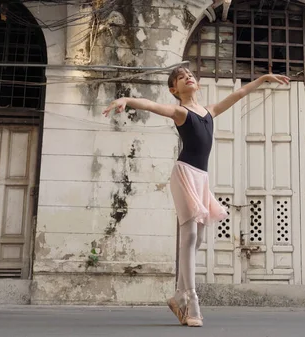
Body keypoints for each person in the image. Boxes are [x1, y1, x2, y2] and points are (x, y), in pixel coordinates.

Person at [102, 67, 290, 327]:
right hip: (184, 174)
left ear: (197, 84)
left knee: (198, 237)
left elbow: (240, 93)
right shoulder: (181, 112)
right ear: (174, 89)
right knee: (189, 236)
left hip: (201, 177)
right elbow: (152, 105)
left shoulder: (209, 112)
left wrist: (264, 79)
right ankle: (191, 301)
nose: (188, 77)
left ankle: (178, 294)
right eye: (181, 77)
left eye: (190, 75)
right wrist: (127, 100)